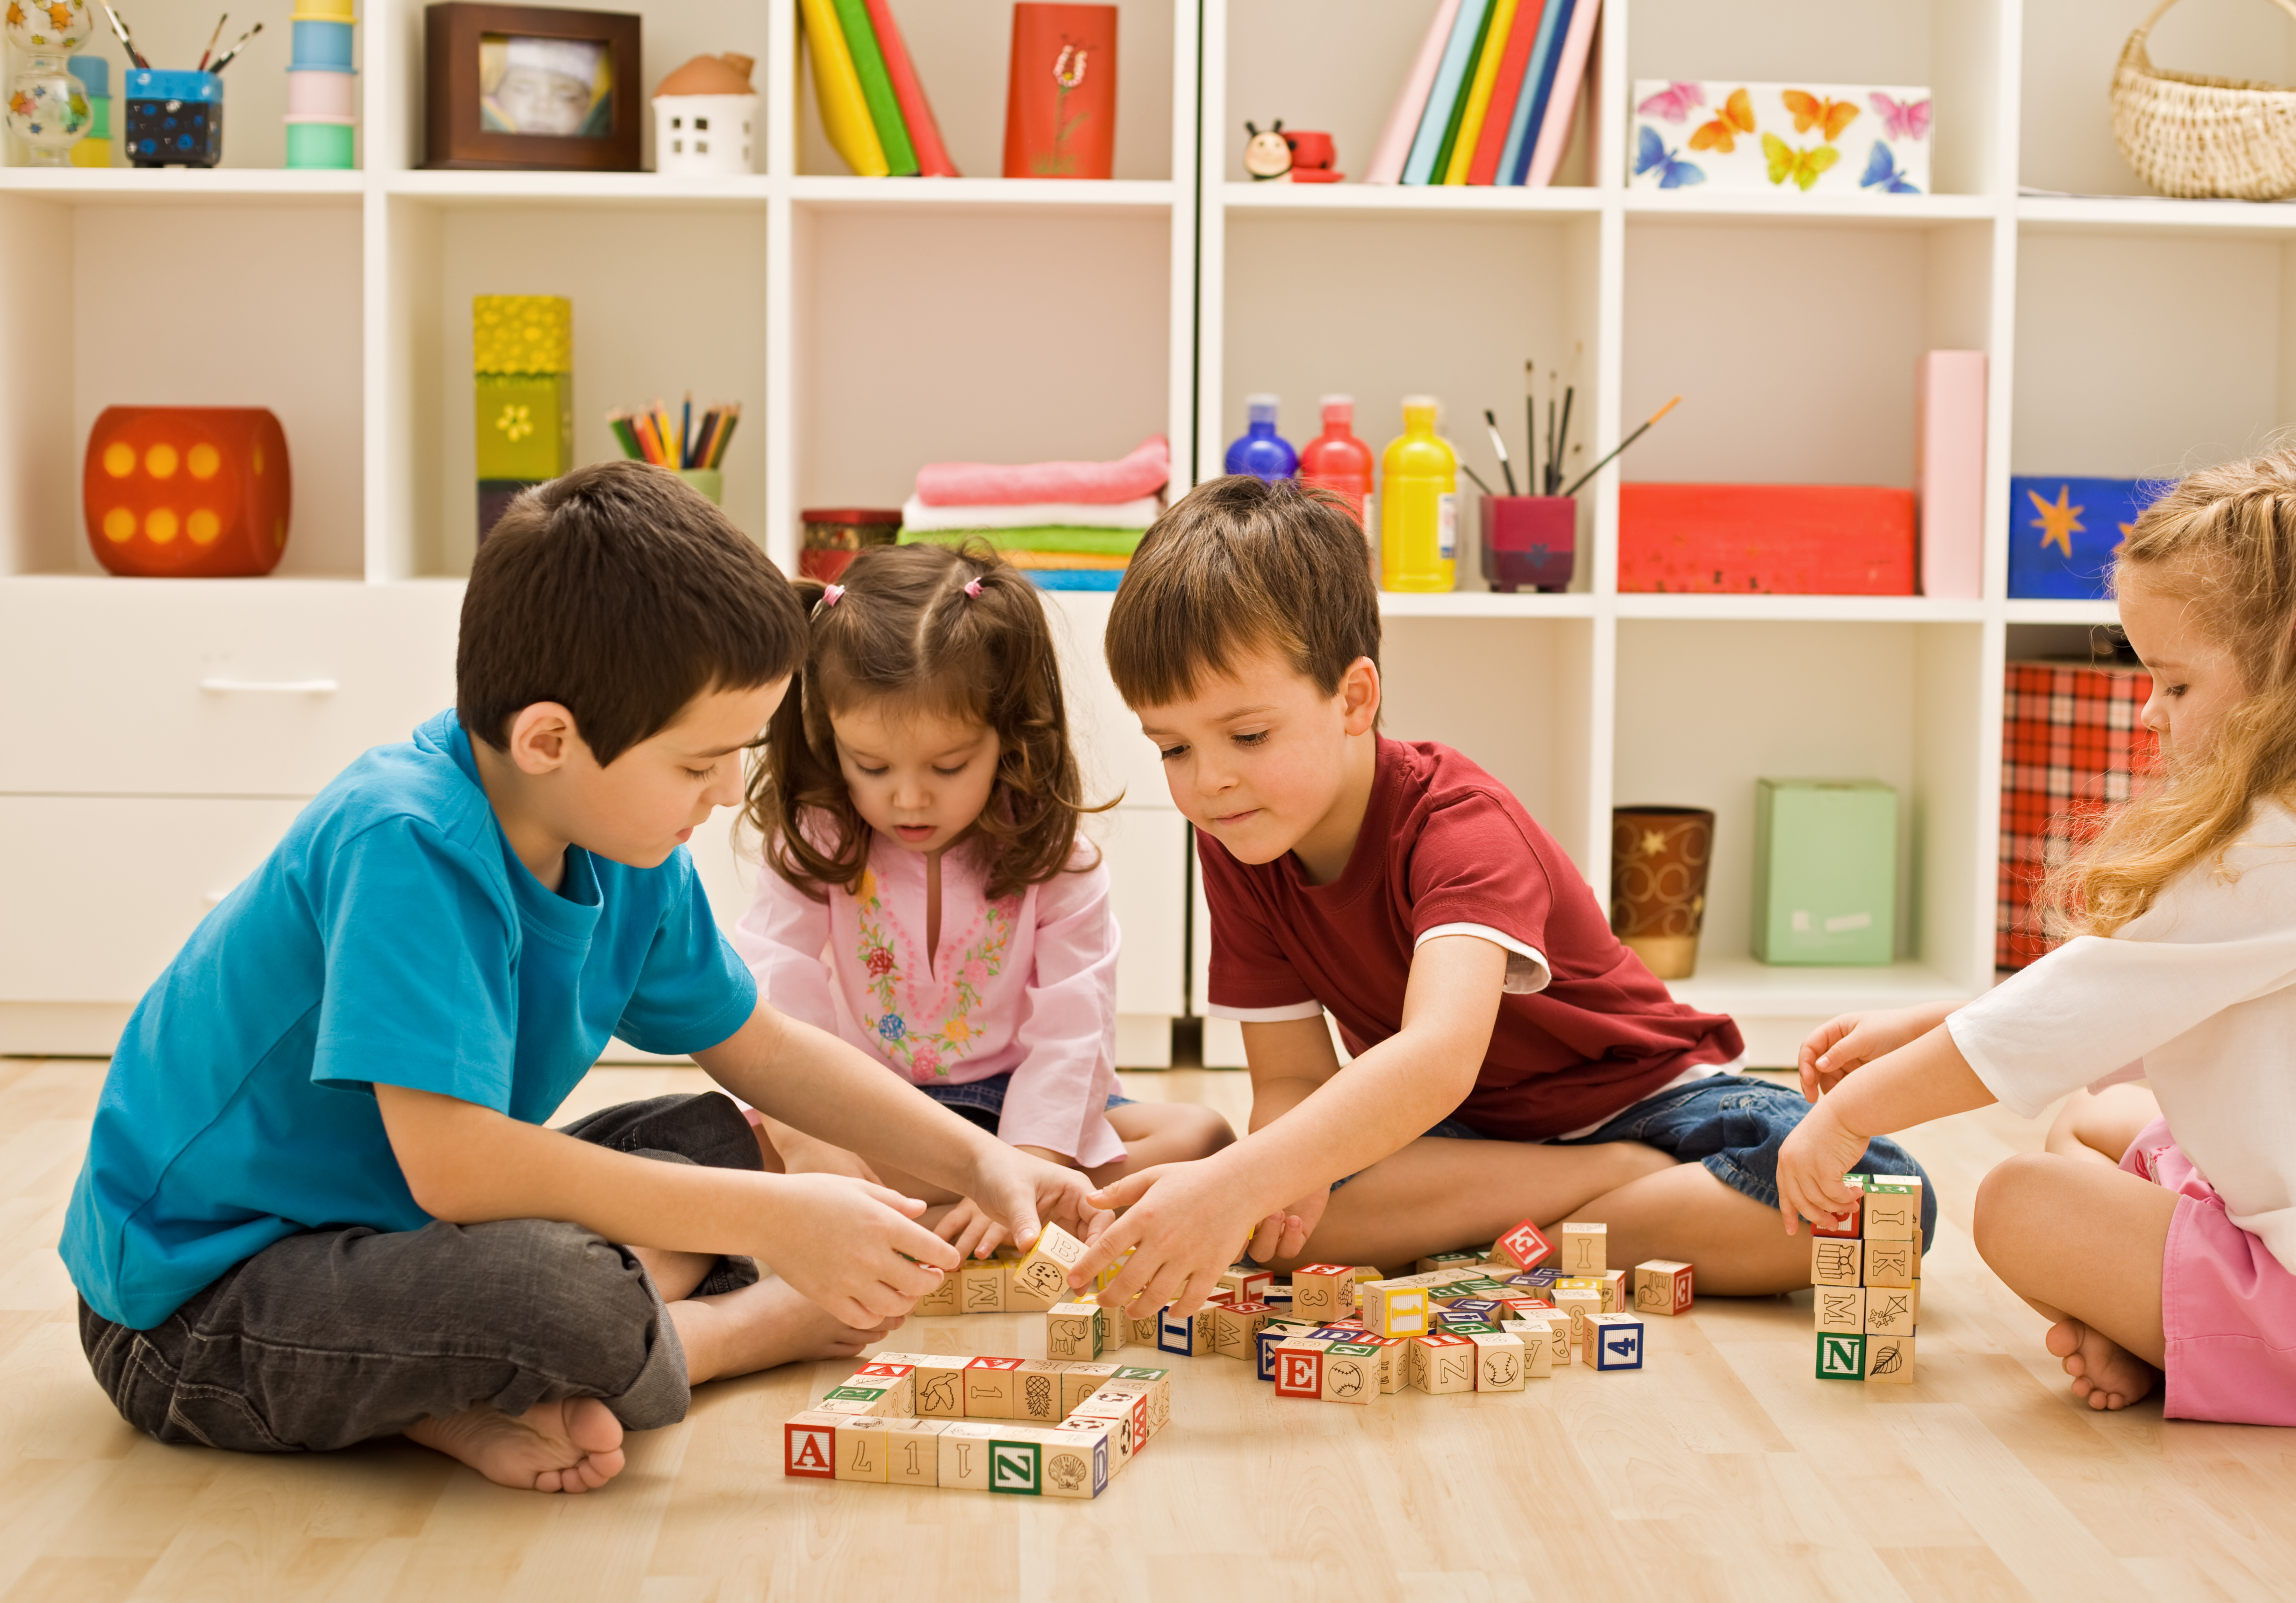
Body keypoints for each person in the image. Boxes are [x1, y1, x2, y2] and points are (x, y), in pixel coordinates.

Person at [58, 462, 1092, 1494]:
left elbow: (761, 1048)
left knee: (722, 1136)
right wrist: (777, 1227)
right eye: (698, 764)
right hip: (196, 1304)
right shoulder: (406, 840)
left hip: (393, 1235)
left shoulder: (626, 841)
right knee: (568, 1297)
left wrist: (975, 1161)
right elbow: (456, 1169)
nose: (729, 794)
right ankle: (719, 1332)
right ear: (550, 739)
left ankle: (460, 1391)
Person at [1066, 473, 1933, 1312]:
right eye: (1172, 749)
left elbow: (1437, 1057)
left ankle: (1550, 1218)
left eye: (1247, 734)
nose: (1209, 781)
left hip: (1652, 1101)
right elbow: (1292, 1080)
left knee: (1883, 1205)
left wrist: (1242, 1184)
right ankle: (1605, 1194)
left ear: (1354, 698)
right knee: (1300, 1225)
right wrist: (1271, 1186)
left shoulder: (1458, 823)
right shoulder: (1244, 837)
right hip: (1469, 1141)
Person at [1776, 448, 2296, 1424]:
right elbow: (2107, 1000)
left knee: (2017, 1201)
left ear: (2294, 671)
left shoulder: (2284, 857)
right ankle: (2162, 1333)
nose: (2145, 711)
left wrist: (1849, 1114)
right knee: (2081, 1122)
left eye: (2172, 685)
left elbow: (2072, 1010)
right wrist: (1918, 1029)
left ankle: (2173, 1342)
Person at [734, 543, 1232, 1251]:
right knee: (732, 1148)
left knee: (1201, 1136)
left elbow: (1073, 1027)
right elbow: (773, 985)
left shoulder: (1059, 862)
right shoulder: (819, 838)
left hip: (1014, 1112)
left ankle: (935, 1220)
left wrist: (1030, 1164)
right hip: (874, 1113)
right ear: (827, 735)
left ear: (1010, 734)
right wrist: (810, 1133)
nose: (907, 797)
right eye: (870, 765)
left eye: (949, 764)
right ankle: (962, 1220)